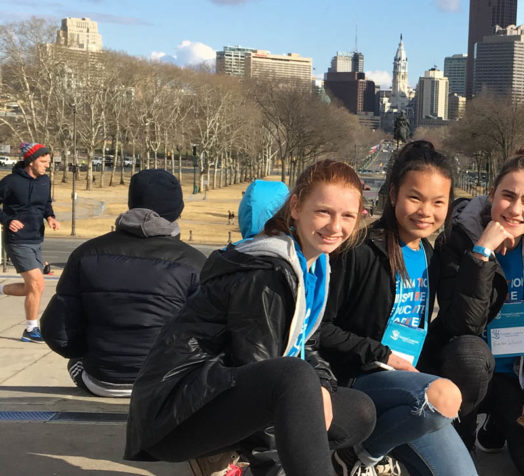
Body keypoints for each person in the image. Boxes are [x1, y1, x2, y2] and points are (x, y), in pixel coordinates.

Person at [124, 160, 377, 476]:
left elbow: (307, 346)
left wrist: (323, 387)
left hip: (225, 396)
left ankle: (231, 456)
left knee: (359, 412)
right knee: (295, 378)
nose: (334, 226)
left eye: (347, 216)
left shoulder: (314, 266)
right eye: (324, 211)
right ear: (296, 207)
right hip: (177, 414)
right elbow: (264, 373)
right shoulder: (266, 274)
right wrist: (273, 467)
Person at [318, 140, 475, 476]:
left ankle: (372, 451)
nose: (425, 212)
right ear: (393, 195)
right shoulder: (359, 251)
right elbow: (318, 329)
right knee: (443, 396)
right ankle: (362, 454)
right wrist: (381, 353)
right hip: (357, 381)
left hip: (409, 397)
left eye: (438, 202)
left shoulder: (430, 256)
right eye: (415, 198)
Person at [426, 146, 524, 475]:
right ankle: (460, 437)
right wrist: (481, 254)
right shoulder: (456, 238)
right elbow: (462, 324)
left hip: (514, 375)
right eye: (508, 196)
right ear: (491, 194)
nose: (516, 209)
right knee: (472, 355)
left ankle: (496, 426)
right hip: (459, 373)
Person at [40, 169, 205, 397]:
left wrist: (91, 352)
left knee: (75, 363)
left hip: (102, 379)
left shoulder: (85, 254)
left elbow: (56, 330)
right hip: (165, 383)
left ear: (132, 203)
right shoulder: (194, 262)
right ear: (178, 209)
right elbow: (209, 335)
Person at [0, 142, 60, 343]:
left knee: (33, 288)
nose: (47, 166)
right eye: (43, 162)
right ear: (31, 161)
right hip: (17, 240)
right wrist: (8, 220)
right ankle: (31, 329)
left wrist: (50, 217)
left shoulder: (45, 181)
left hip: (36, 238)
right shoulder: (10, 182)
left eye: (48, 162)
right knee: (37, 283)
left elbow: (46, 204)